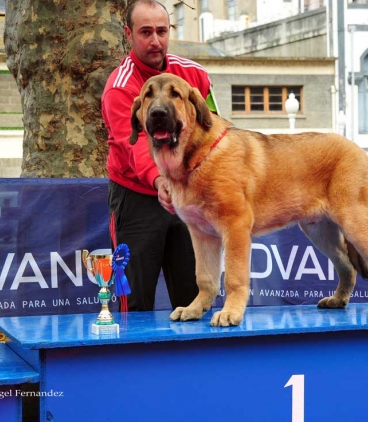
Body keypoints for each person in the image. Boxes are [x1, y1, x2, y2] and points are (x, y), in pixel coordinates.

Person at [101, 0, 219, 312]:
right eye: (146, 32)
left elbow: (215, 129)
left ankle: (197, 360)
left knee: (194, 296)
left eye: (162, 31)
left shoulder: (195, 76)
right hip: (137, 198)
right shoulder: (119, 88)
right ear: (129, 34)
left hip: (190, 193)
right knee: (135, 300)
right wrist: (159, 181)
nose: (155, 40)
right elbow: (135, 146)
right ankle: (129, 359)